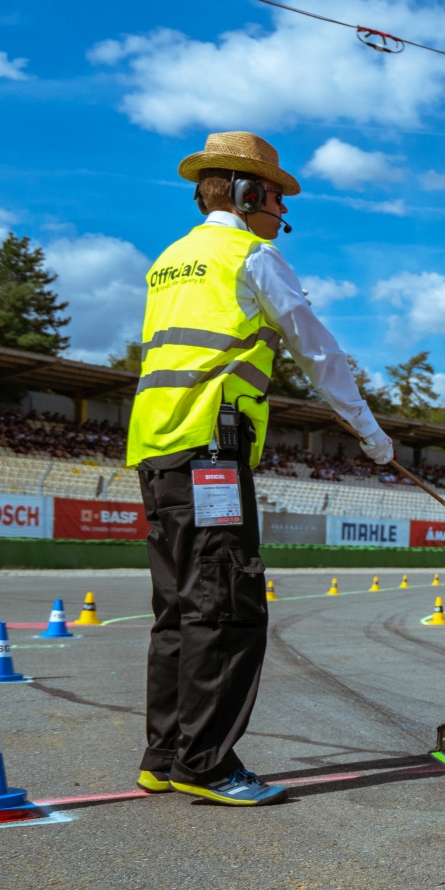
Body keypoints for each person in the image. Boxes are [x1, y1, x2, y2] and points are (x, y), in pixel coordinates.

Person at [131, 131, 393, 806]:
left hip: (156, 451)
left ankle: (164, 756)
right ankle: (207, 764)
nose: (284, 213)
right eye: (278, 198)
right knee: (226, 607)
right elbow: (318, 351)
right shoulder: (252, 255)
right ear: (250, 194)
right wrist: (370, 434)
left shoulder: (169, 261)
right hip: (211, 456)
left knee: (177, 610)